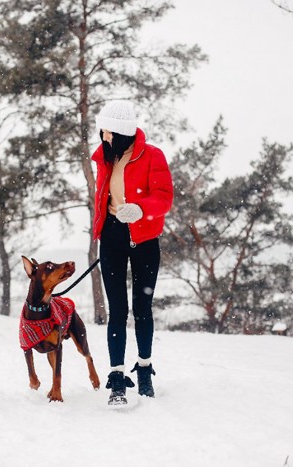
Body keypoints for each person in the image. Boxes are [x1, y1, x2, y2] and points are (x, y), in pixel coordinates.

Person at [91, 100, 174, 405]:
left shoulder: (152, 156)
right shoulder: (105, 157)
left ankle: (144, 369)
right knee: (117, 311)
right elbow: (102, 198)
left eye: (108, 130)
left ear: (123, 132)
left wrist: (140, 209)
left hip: (145, 238)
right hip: (112, 237)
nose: (103, 135)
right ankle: (116, 379)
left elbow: (165, 198)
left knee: (142, 309)